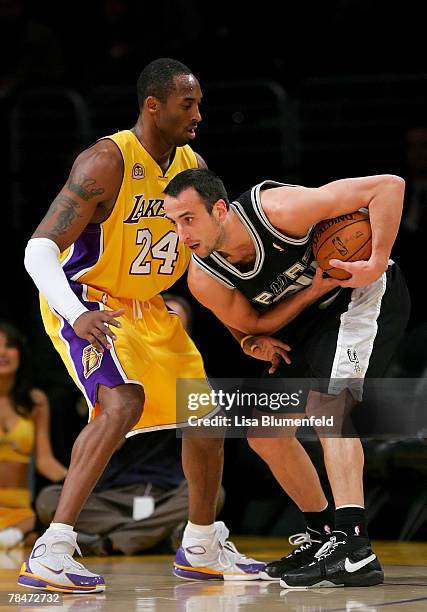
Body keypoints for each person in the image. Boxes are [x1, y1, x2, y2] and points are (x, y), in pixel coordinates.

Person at [21, 58, 265, 593]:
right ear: (153, 105)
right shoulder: (106, 160)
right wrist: (76, 312)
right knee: (122, 402)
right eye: (188, 105)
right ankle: (52, 550)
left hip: (150, 307)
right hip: (90, 300)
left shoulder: (188, 163)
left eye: (199, 104)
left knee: (205, 418)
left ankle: (201, 542)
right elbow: (39, 250)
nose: (198, 114)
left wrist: (242, 325)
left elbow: (199, 256)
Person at [163, 168, 410, 589]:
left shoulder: (279, 210)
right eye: (173, 222)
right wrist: (252, 339)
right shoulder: (203, 276)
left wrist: (373, 260)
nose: (182, 234)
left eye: (189, 218)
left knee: (330, 408)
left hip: (360, 295)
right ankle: (322, 536)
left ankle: (355, 546)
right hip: (311, 315)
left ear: (220, 210)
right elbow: (252, 323)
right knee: (265, 431)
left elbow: (389, 186)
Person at [35, 294, 224, 556]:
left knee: (215, 494)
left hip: (165, 493)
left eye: (175, 323)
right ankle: (149, 536)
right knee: (48, 500)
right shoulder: (114, 373)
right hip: (112, 494)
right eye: (163, 318)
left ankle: (112, 541)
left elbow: (204, 450)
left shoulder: (196, 383)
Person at [0, 321, 67, 550]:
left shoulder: (35, 401)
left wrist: (77, 483)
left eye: (9, 346)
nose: (2, 352)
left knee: (41, 523)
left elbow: (45, 461)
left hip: (21, 514)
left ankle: (16, 536)